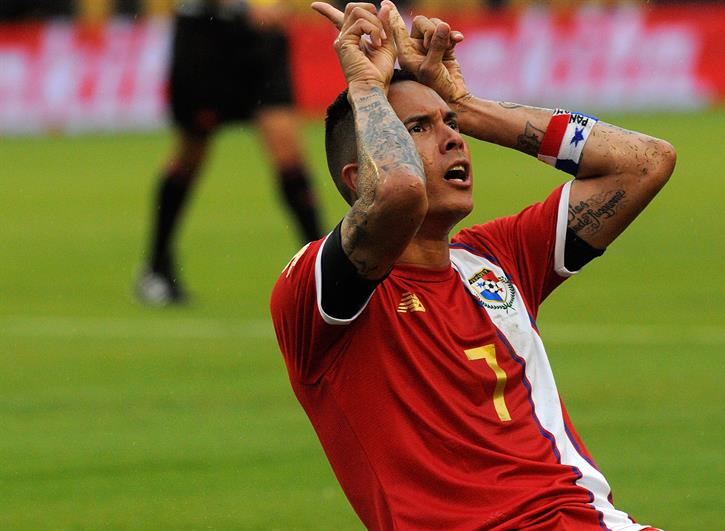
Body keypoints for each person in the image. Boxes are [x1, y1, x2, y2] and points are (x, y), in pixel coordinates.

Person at [271, 1, 676, 529]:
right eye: (419, 127)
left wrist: (468, 102)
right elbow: (396, 191)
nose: (453, 137)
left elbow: (645, 162)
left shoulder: (498, 258)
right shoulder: (316, 292)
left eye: (451, 124)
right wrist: (366, 89)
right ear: (356, 176)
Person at [136, 0, 323, 305]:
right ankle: (156, 267)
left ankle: (323, 270)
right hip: (208, 35)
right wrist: (243, 8)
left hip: (263, 39)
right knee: (189, 157)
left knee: (289, 154)